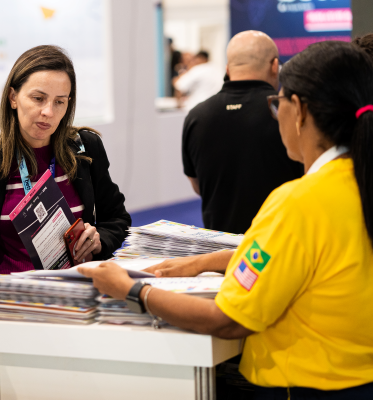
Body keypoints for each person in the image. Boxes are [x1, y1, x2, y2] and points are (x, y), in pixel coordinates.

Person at [80, 41, 373, 398]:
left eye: (276, 102)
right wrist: (202, 262)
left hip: (304, 385)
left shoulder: (299, 202)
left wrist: (132, 289)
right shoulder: (357, 181)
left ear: (298, 110)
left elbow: (227, 319)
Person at [0, 45, 131, 274]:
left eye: (60, 102)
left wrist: (99, 240)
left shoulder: (85, 148)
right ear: (13, 97)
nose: (48, 111)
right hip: (5, 299)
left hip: (71, 290)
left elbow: (116, 219)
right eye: (38, 98)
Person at [182, 31, 303, 234]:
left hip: (218, 250)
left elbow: (197, 185)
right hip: (280, 244)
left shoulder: (196, 116)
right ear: (275, 66)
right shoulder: (286, 111)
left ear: (228, 69)